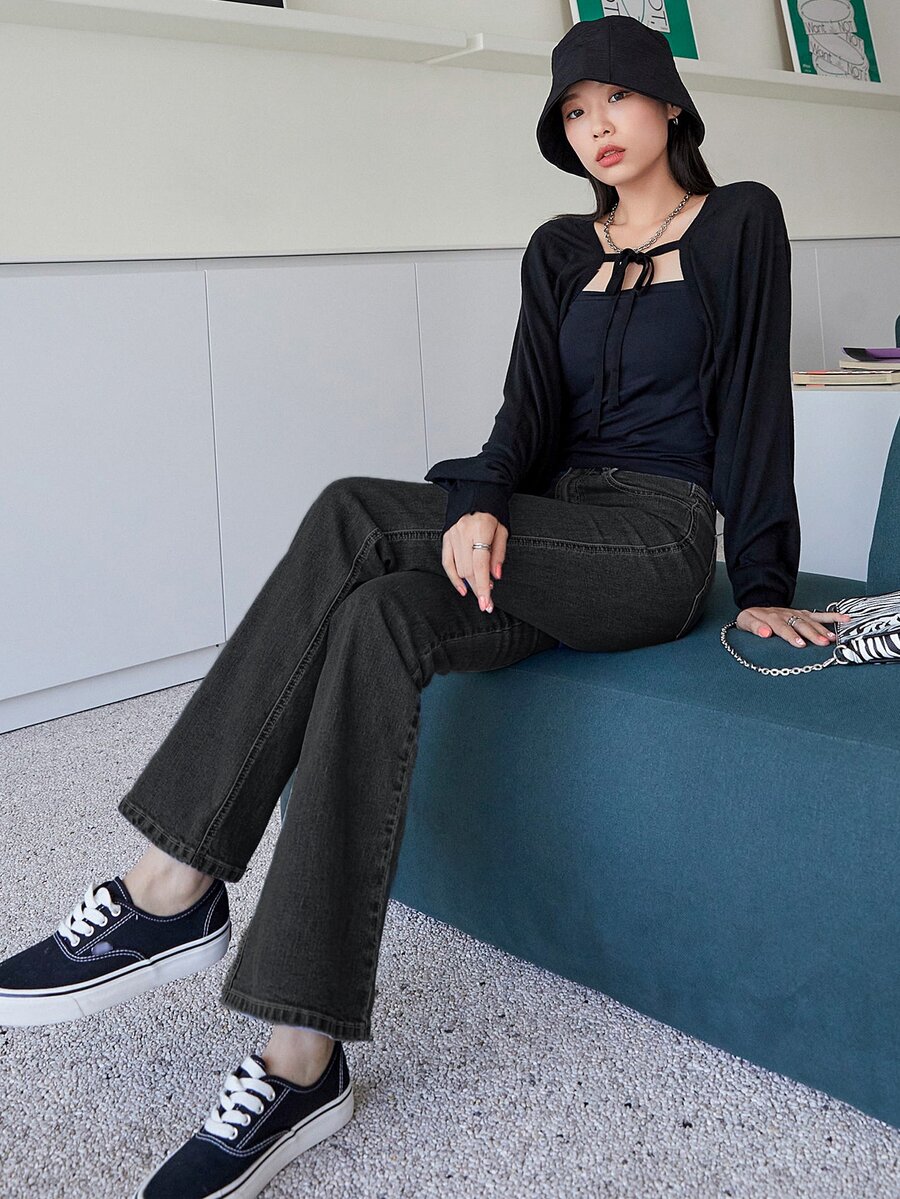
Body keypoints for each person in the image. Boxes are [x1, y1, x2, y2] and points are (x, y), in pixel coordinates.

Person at [0, 14, 851, 1199]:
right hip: (550, 526)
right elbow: (524, 417)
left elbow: (758, 405)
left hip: (653, 542)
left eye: (614, 98)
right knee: (376, 618)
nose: (595, 126)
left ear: (667, 102)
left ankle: (170, 884)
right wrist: (482, 501)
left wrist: (760, 585)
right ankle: (301, 1057)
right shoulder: (559, 248)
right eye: (572, 112)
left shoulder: (740, 219)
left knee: (354, 509)